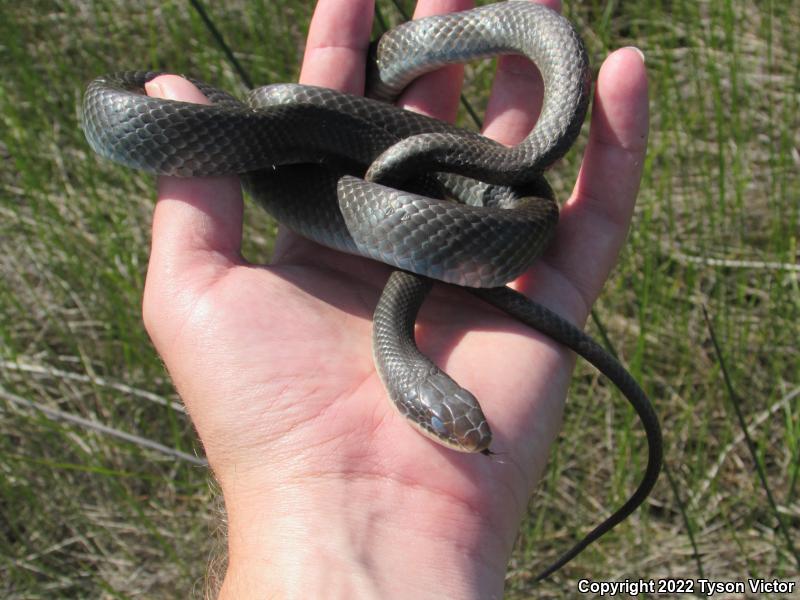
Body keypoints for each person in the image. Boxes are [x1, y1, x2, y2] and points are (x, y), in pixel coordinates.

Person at [141, 0, 648, 597]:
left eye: (450, 420)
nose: (468, 433)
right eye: (443, 419)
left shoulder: (520, 210)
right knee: (278, 111)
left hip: (475, 198)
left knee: (514, 186)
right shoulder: (266, 132)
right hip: (328, 143)